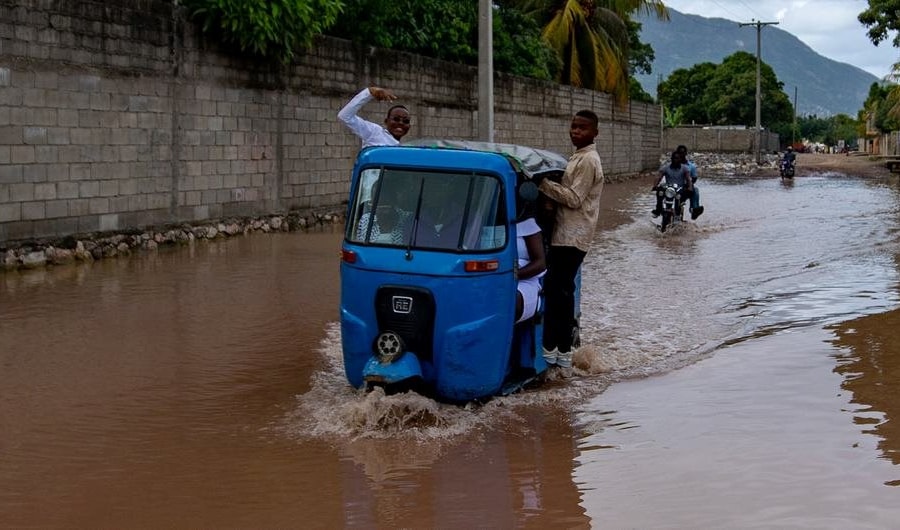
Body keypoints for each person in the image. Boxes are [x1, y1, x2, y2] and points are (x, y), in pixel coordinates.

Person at [536, 110, 605, 372]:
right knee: (559, 290)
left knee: (559, 290)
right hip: (565, 233)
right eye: (574, 127)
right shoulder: (577, 157)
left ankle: (560, 351)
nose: (576, 131)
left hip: (573, 234)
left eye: (582, 128)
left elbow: (575, 199)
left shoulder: (588, 160)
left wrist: (543, 184)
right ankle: (559, 350)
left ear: (594, 133)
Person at [337, 86, 411, 147]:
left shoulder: (403, 148)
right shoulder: (375, 132)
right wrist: (369, 93)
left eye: (406, 121)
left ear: (409, 126)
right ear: (386, 121)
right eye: (396, 119)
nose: (401, 123)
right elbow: (344, 116)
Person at [515, 206, 547, 324]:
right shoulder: (477, 222)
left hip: (524, 282)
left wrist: (512, 275)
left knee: (508, 300)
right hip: (489, 279)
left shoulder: (526, 223)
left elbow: (540, 264)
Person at [651, 150, 694, 219]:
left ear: (680, 159)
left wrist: (690, 187)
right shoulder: (666, 167)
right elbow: (659, 177)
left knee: (679, 197)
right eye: (674, 158)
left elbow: (688, 179)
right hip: (669, 188)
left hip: (679, 189)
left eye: (677, 158)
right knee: (660, 192)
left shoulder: (684, 168)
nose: (675, 160)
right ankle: (658, 210)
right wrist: (655, 186)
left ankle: (677, 214)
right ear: (671, 159)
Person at [676, 145, 703, 219]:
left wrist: (688, 185)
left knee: (695, 190)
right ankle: (659, 210)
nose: (681, 154)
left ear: (686, 153)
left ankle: (694, 210)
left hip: (686, 187)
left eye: (683, 153)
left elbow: (694, 178)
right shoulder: (673, 164)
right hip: (674, 187)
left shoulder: (691, 166)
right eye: (680, 153)